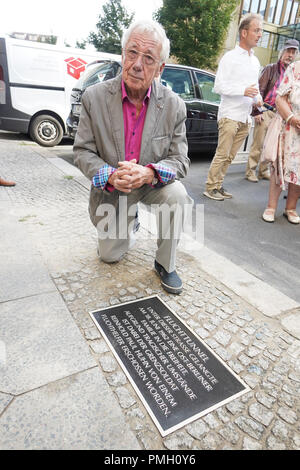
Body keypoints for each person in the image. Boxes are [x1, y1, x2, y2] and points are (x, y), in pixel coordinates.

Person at [73, 20, 192, 294]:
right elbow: (82, 151)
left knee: (178, 194)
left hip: (151, 184)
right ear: (123, 54)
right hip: (114, 187)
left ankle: (165, 263)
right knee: (110, 255)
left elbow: (181, 159)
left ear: (160, 68)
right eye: (132, 52)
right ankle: (131, 220)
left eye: (148, 58)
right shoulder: (94, 98)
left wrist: (150, 173)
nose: (138, 64)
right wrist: (111, 175)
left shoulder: (174, 106)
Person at [203, 13, 263, 201]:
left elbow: (255, 88)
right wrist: (243, 90)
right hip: (229, 115)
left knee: (230, 157)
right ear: (244, 32)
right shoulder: (229, 57)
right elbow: (218, 86)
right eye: (257, 30)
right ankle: (210, 187)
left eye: (260, 30)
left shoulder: (255, 61)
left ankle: (218, 185)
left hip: (245, 117)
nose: (260, 34)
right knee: (222, 154)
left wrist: (258, 99)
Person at [246, 38, 299, 182]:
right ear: (282, 52)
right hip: (266, 110)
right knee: (258, 143)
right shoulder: (270, 68)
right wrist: (257, 112)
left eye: (293, 52)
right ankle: (250, 170)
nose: (290, 55)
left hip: (281, 114)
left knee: (271, 144)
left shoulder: (293, 73)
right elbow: (258, 90)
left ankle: (263, 171)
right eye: (288, 51)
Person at [262, 60, 300, 225]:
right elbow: (280, 99)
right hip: (288, 126)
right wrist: (292, 118)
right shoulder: (295, 68)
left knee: (298, 170)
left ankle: (290, 208)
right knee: (279, 166)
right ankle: (271, 206)